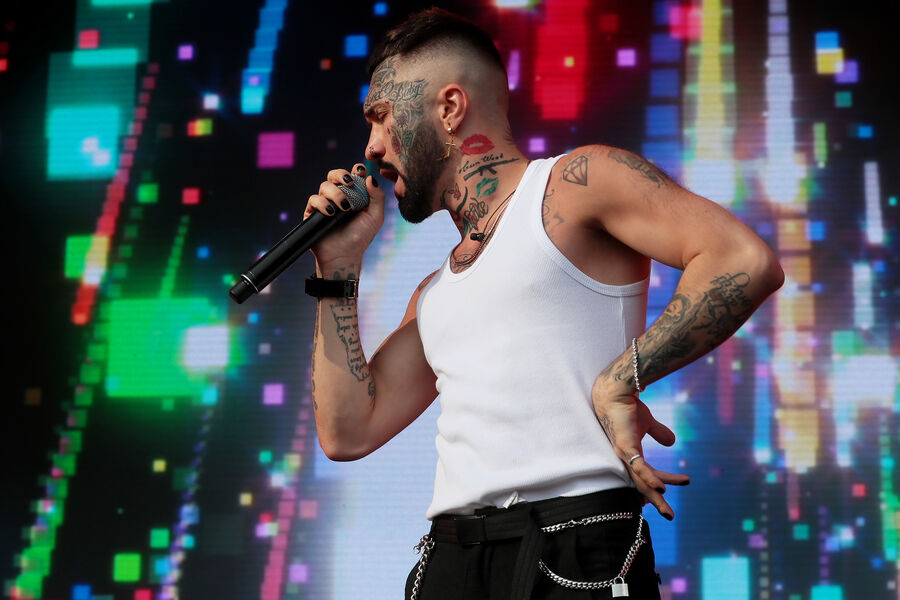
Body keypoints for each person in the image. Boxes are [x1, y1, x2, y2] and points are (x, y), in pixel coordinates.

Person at [302, 8, 783, 599]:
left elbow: (742, 259)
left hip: (573, 549)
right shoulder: (433, 293)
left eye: (381, 117)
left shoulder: (575, 183)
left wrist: (621, 378)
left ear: (449, 108)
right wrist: (337, 268)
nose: (372, 147)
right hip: (450, 562)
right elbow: (347, 433)